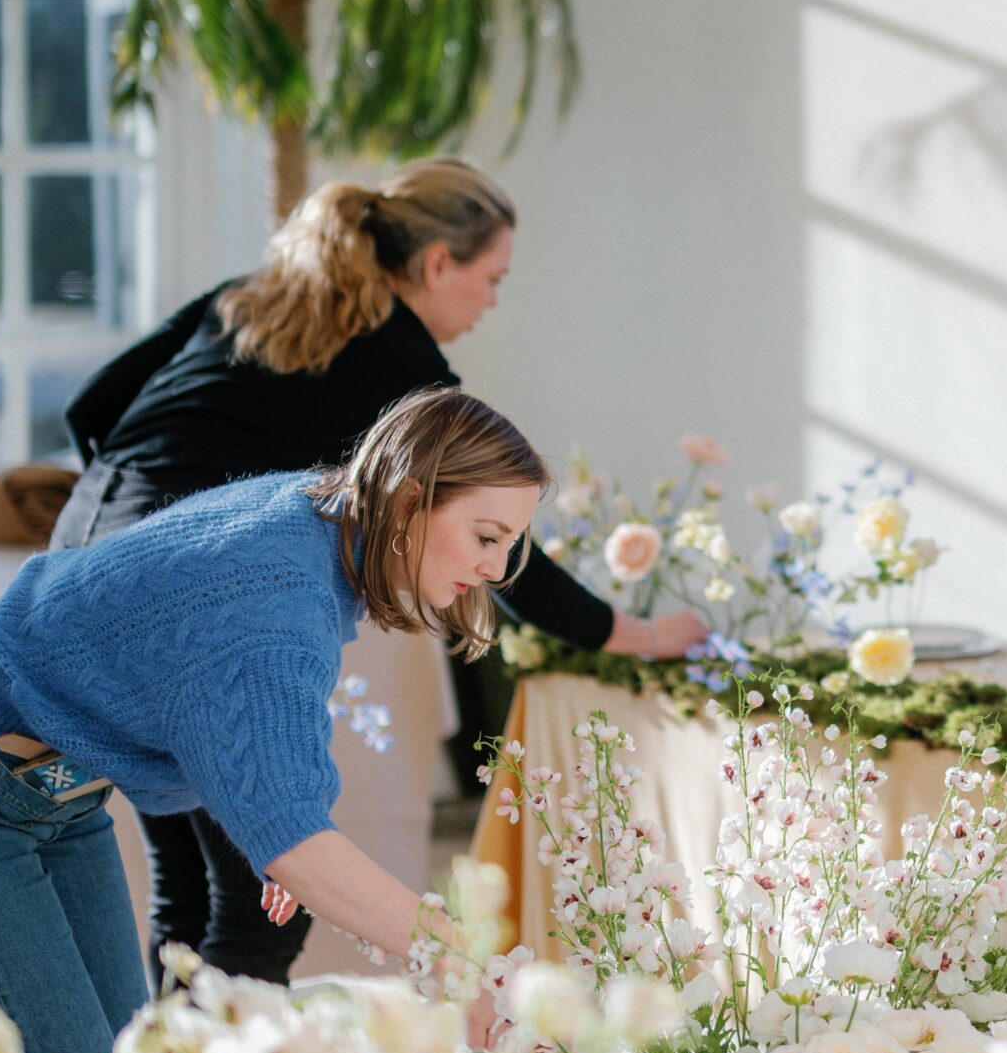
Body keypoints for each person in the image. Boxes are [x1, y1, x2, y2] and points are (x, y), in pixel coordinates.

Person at [50, 159, 704, 989]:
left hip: (87, 557)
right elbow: (500, 550)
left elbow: (91, 407)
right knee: (258, 898)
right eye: (491, 278)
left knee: (188, 877)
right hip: (194, 594)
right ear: (438, 265)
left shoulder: (249, 293)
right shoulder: (395, 358)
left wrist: (130, 524)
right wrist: (636, 633)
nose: (493, 300)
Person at [0, 389, 534, 1053]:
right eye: (487, 536)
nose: (496, 568)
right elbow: (292, 821)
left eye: (510, 545)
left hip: (54, 793)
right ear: (411, 500)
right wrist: (456, 957)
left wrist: (284, 827)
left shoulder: (316, 524)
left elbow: (227, 698)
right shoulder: (276, 602)